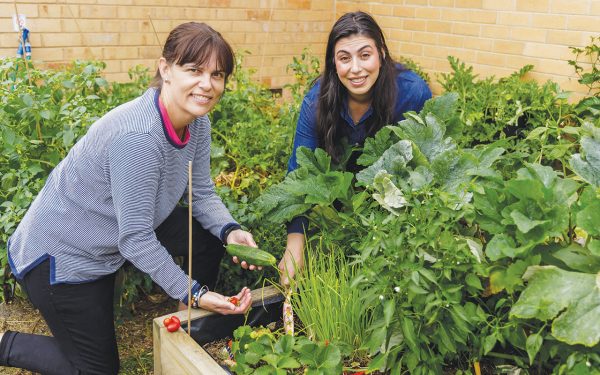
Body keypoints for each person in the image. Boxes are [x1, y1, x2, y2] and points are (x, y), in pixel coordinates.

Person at [0, 22, 259, 375]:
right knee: (96, 371)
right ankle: (5, 343)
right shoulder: (138, 138)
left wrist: (230, 232)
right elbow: (135, 240)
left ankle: (185, 322)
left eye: (217, 74)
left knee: (209, 240)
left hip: (118, 226)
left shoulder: (197, 123)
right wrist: (196, 290)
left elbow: (201, 192)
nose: (207, 84)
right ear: (165, 69)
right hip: (63, 256)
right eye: (194, 70)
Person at [278, 11, 432, 285]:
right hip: (337, 202)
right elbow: (298, 177)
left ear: (381, 54)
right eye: (344, 58)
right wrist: (294, 245)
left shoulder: (412, 94)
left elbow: (426, 168)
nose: (356, 69)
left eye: (365, 55)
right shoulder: (316, 102)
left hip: (393, 205)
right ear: (333, 63)